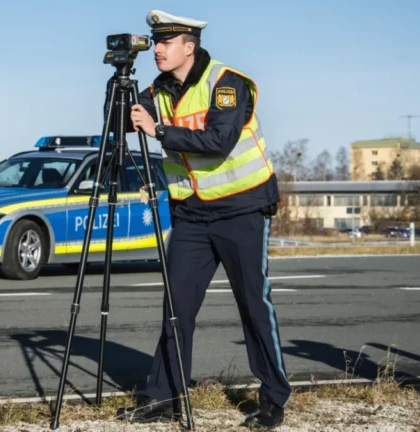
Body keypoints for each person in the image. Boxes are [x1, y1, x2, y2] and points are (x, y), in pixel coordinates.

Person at [118, 9, 291, 429]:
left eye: (166, 43)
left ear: (188, 47)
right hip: (192, 214)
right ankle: (163, 395)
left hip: (242, 209)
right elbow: (121, 124)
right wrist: (120, 83)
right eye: (154, 42)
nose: (157, 49)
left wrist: (158, 131)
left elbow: (218, 141)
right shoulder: (157, 90)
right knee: (176, 307)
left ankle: (273, 399)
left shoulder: (227, 84)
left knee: (253, 304)